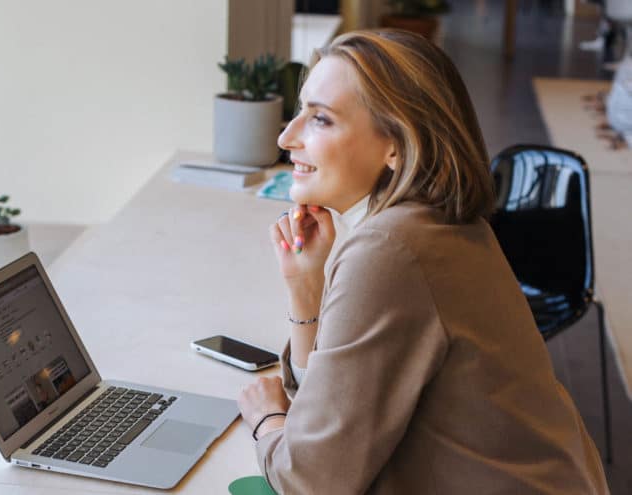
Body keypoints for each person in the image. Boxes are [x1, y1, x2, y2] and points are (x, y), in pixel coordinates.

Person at [238, 30, 609, 494]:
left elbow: (312, 478)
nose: (286, 136)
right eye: (299, 113)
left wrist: (266, 419)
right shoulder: (430, 224)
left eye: (321, 120)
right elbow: (329, 415)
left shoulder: (393, 249)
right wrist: (305, 284)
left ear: (396, 143)